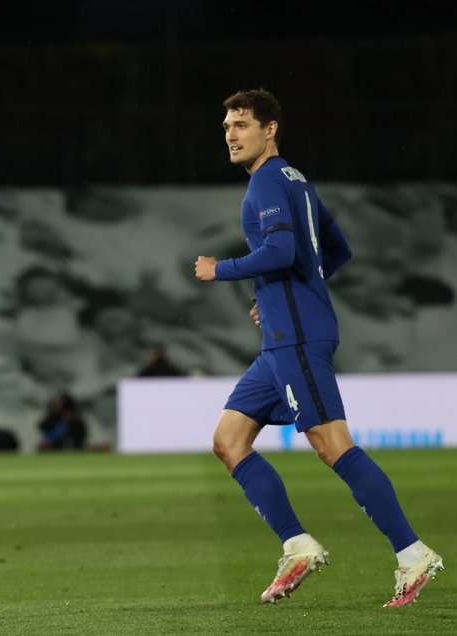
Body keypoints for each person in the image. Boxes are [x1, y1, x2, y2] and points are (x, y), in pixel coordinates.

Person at [193, 89, 442, 607]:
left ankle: (413, 553)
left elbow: (281, 249)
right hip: (283, 335)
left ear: (271, 129)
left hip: (298, 337)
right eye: (226, 127)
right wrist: (282, 291)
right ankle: (298, 544)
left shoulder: (265, 181)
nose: (231, 135)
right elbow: (336, 248)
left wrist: (223, 271)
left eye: (241, 124)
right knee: (229, 441)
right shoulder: (295, 181)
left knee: (332, 445)